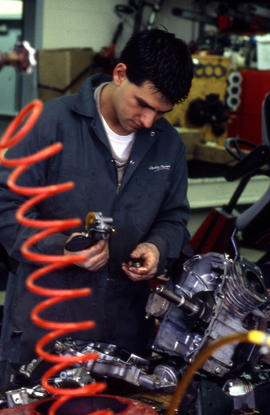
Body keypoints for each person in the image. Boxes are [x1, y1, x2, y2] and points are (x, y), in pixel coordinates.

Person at [0, 28, 193, 390]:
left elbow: (175, 218)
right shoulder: (47, 124)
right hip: (47, 329)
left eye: (161, 111)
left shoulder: (168, 145)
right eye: (143, 104)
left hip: (124, 338)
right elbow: (5, 208)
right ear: (120, 74)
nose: (149, 121)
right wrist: (59, 247)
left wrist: (157, 248)